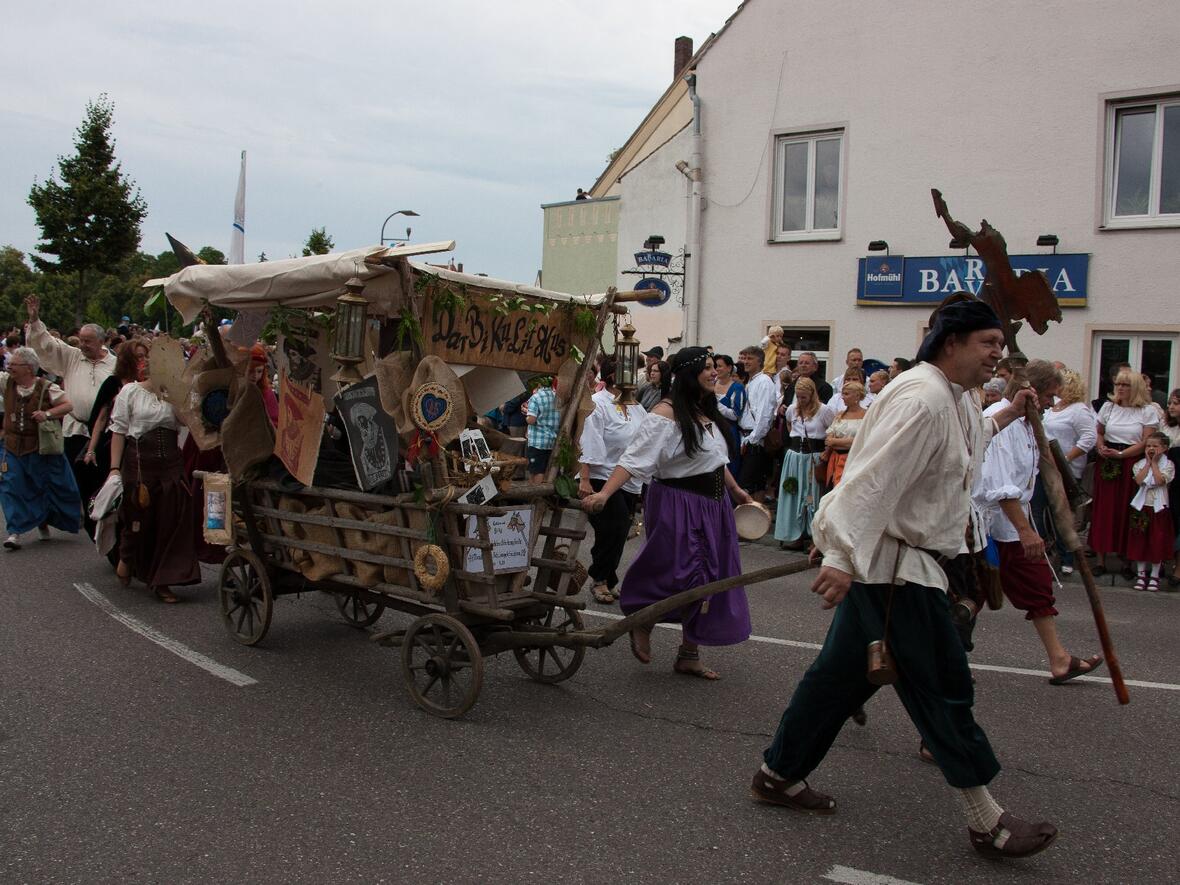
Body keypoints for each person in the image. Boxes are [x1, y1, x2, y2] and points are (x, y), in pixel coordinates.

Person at [754, 298, 1058, 860]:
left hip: (904, 558)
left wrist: (1009, 413)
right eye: (988, 343)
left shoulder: (956, 396)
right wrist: (841, 556)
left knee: (838, 679)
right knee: (942, 685)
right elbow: (872, 478)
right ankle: (985, 818)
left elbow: (961, 449)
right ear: (951, 343)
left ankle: (777, 774)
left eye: (1000, 343)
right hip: (896, 566)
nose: (1000, 353)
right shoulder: (923, 399)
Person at [583, 347, 753, 680]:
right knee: (681, 573)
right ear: (689, 373)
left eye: (714, 367)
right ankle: (645, 617)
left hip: (713, 504)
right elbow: (635, 459)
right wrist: (604, 492)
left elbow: (715, 459)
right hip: (679, 501)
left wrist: (736, 491)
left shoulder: (705, 409)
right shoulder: (666, 413)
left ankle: (689, 654)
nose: (714, 372)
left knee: (710, 579)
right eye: (707, 367)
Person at [975, 359, 1103, 684]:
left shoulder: (1027, 422)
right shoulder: (998, 421)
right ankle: (940, 663)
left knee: (1034, 585)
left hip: (1009, 525)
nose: (1052, 403)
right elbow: (999, 484)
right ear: (1031, 391)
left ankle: (1059, 659)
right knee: (969, 595)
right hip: (986, 525)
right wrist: (1024, 530)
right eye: (1049, 396)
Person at [107, 341, 201, 603]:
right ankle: (127, 556)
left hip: (171, 463)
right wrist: (114, 469)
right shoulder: (130, 392)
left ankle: (164, 580)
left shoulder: (175, 394)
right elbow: (118, 431)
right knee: (139, 519)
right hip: (140, 464)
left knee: (171, 521)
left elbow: (189, 422)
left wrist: (173, 394)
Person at [24, 296, 116, 536]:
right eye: (82, 340)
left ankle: (105, 517)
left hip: (107, 430)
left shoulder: (115, 364)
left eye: (88, 341)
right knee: (79, 479)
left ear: (102, 341)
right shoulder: (73, 357)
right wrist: (35, 320)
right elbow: (48, 345)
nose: (83, 344)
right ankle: (88, 516)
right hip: (76, 430)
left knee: (104, 477)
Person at [578, 358, 648, 604]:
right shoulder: (598, 404)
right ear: (612, 377)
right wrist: (584, 478)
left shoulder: (636, 407)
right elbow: (587, 441)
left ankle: (609, 577)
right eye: (630, 373)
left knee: (619, 531)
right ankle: (599, 579)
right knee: (613, 526)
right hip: (600, 475)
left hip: (627, 478)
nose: (635, 378)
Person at [0, 348, 81, 549]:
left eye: (14, 365)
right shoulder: (7, 383)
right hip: (11, 447)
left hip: (38, 447)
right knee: (11, 486)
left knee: (41, 486)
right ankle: (14, 532)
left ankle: (42, 521)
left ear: (28, 368)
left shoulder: (47, 387)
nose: (9, 367)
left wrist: (47, 414)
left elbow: (67, 406)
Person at [1091, 368, 1159, 577]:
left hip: (1131, 463)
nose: (1120, 388)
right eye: (1118, 384)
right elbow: (1099, 432)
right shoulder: (1108, 408)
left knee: (1128, 510)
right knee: (1104, 509)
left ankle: (1127, 561)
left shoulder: (1147, 411)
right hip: (1108, 462)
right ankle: (1101, 559)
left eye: (1125, 385)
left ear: (1135, 388)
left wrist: (1121, 455)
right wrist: (1101, 447)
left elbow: (1146, 441)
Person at [1038, 369, 1097, 574]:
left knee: (1062, 513)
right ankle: (1047, 553)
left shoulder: (1079, 409)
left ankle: (1067, 557)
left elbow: (1089, 438)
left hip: (1065, 469)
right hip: (1045, 465)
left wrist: (1066, 458)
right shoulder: (1053, 408)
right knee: (1042, 511)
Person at [773, 378, 834, 550]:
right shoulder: (792, 409)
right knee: (793, 493)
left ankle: (816, 539)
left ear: (812, 395)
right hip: (794, 457)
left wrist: (826, 452)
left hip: (813, 458)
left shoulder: (824, 410)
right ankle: (795, 534)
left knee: (813, 496)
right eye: (798, 397)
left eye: (804, 397)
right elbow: (789, 425)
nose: (800, 401)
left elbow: (833, 431)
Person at [1127, 431, 1174, 591]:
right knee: (1140, 540)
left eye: (1155, 446)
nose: (1151, 449)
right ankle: (1141, 575)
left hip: (1158, 508)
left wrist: (1154, 463)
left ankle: (1154, 576)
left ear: (1164, 448)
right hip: (1142, 507)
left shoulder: (1168, 465)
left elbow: (1160, 480)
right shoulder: (1139, 464)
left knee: (1157, 541)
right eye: (1148, 446)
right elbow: (1139, 480)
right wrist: (1148, 463)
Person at [737, 345, 778, 497]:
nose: (746, 362)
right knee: (754, 487)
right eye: (745, 358)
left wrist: (751, 440)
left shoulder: (764, 382)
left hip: (755, 443)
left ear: (760, 361)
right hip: (747, 438)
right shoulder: (751, 382)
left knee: (747, 487)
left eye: (750, 359)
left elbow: (764, 416)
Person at [822, 381, 868, 489]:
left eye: (846, 394)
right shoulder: (840, 414)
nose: (843, 397)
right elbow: (829, 437)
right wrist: (832, 443)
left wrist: (836, 442)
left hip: (853, 460)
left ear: (857, 395)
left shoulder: (866, 415)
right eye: (843, 394)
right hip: (835, 459)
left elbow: (862, 439)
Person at [524, 376, 564, 483]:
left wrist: (527, 416)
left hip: (538, 442)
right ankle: (545, 495)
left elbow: (531, 420)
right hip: (552, 440)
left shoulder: (536, 397)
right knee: (548, 469)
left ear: (538, 384)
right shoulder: (557, 397)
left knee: (537, 471)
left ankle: (536, 495)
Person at [714, 354, 748, 478]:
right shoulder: (711, 384)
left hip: (729, 431)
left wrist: (716, 404)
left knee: (729, 467)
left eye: (719, 366)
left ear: (729, 368)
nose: (716, 369)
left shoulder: (737, 388)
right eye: (715, 366)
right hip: (711, 430)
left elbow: (735, 415)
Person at [249, 343, 279, 426]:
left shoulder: (266, 393)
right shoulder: (232, 391)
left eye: (259, 371)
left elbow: (275, 424)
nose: (255, 376)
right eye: (250, 371)